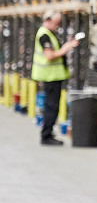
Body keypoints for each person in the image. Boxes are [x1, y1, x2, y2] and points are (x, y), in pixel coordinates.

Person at [31, 11, 79, 146]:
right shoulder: (44, 35)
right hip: (50, 76)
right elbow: (50, 56)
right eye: (56, 23)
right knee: (51, 106)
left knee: (51, 105)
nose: (57, 26)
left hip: (53, 76)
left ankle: (48, 133)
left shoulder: (48, 33)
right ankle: (46, 136)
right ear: (49, 20)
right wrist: (66, 48)